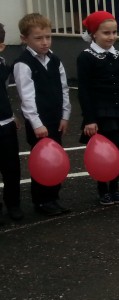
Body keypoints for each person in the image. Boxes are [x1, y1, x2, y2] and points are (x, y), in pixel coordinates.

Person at [77, 11, 119, 206]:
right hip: (100, 112)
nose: (111, 37)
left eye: (114, 32)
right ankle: (102, 188)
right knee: (101, 152)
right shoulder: (86, 57)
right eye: (106, 33)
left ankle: (115, 187)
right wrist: (90, 119)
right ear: (94, 34)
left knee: (117, 149)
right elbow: (84, 90)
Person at [14, 13, 71, 217]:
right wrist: (37, 124)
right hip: (39, 122)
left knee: (56, 158)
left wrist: (65, 115)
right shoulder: (23, 64)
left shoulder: (55, 60)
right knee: (42, 160)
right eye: (38, 38)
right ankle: (41, 200)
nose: (45, 42)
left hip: (56, 118)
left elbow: (64, 89)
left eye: (48, 37)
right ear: (24, 39)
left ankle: (53, 196)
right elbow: (27, 97)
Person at [0, 22, 23, 222]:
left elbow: (5, 93)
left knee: (12, 168)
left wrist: (13, 115)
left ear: (1, 46)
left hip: (5, 124)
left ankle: (13, 204)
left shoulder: (4, 67)